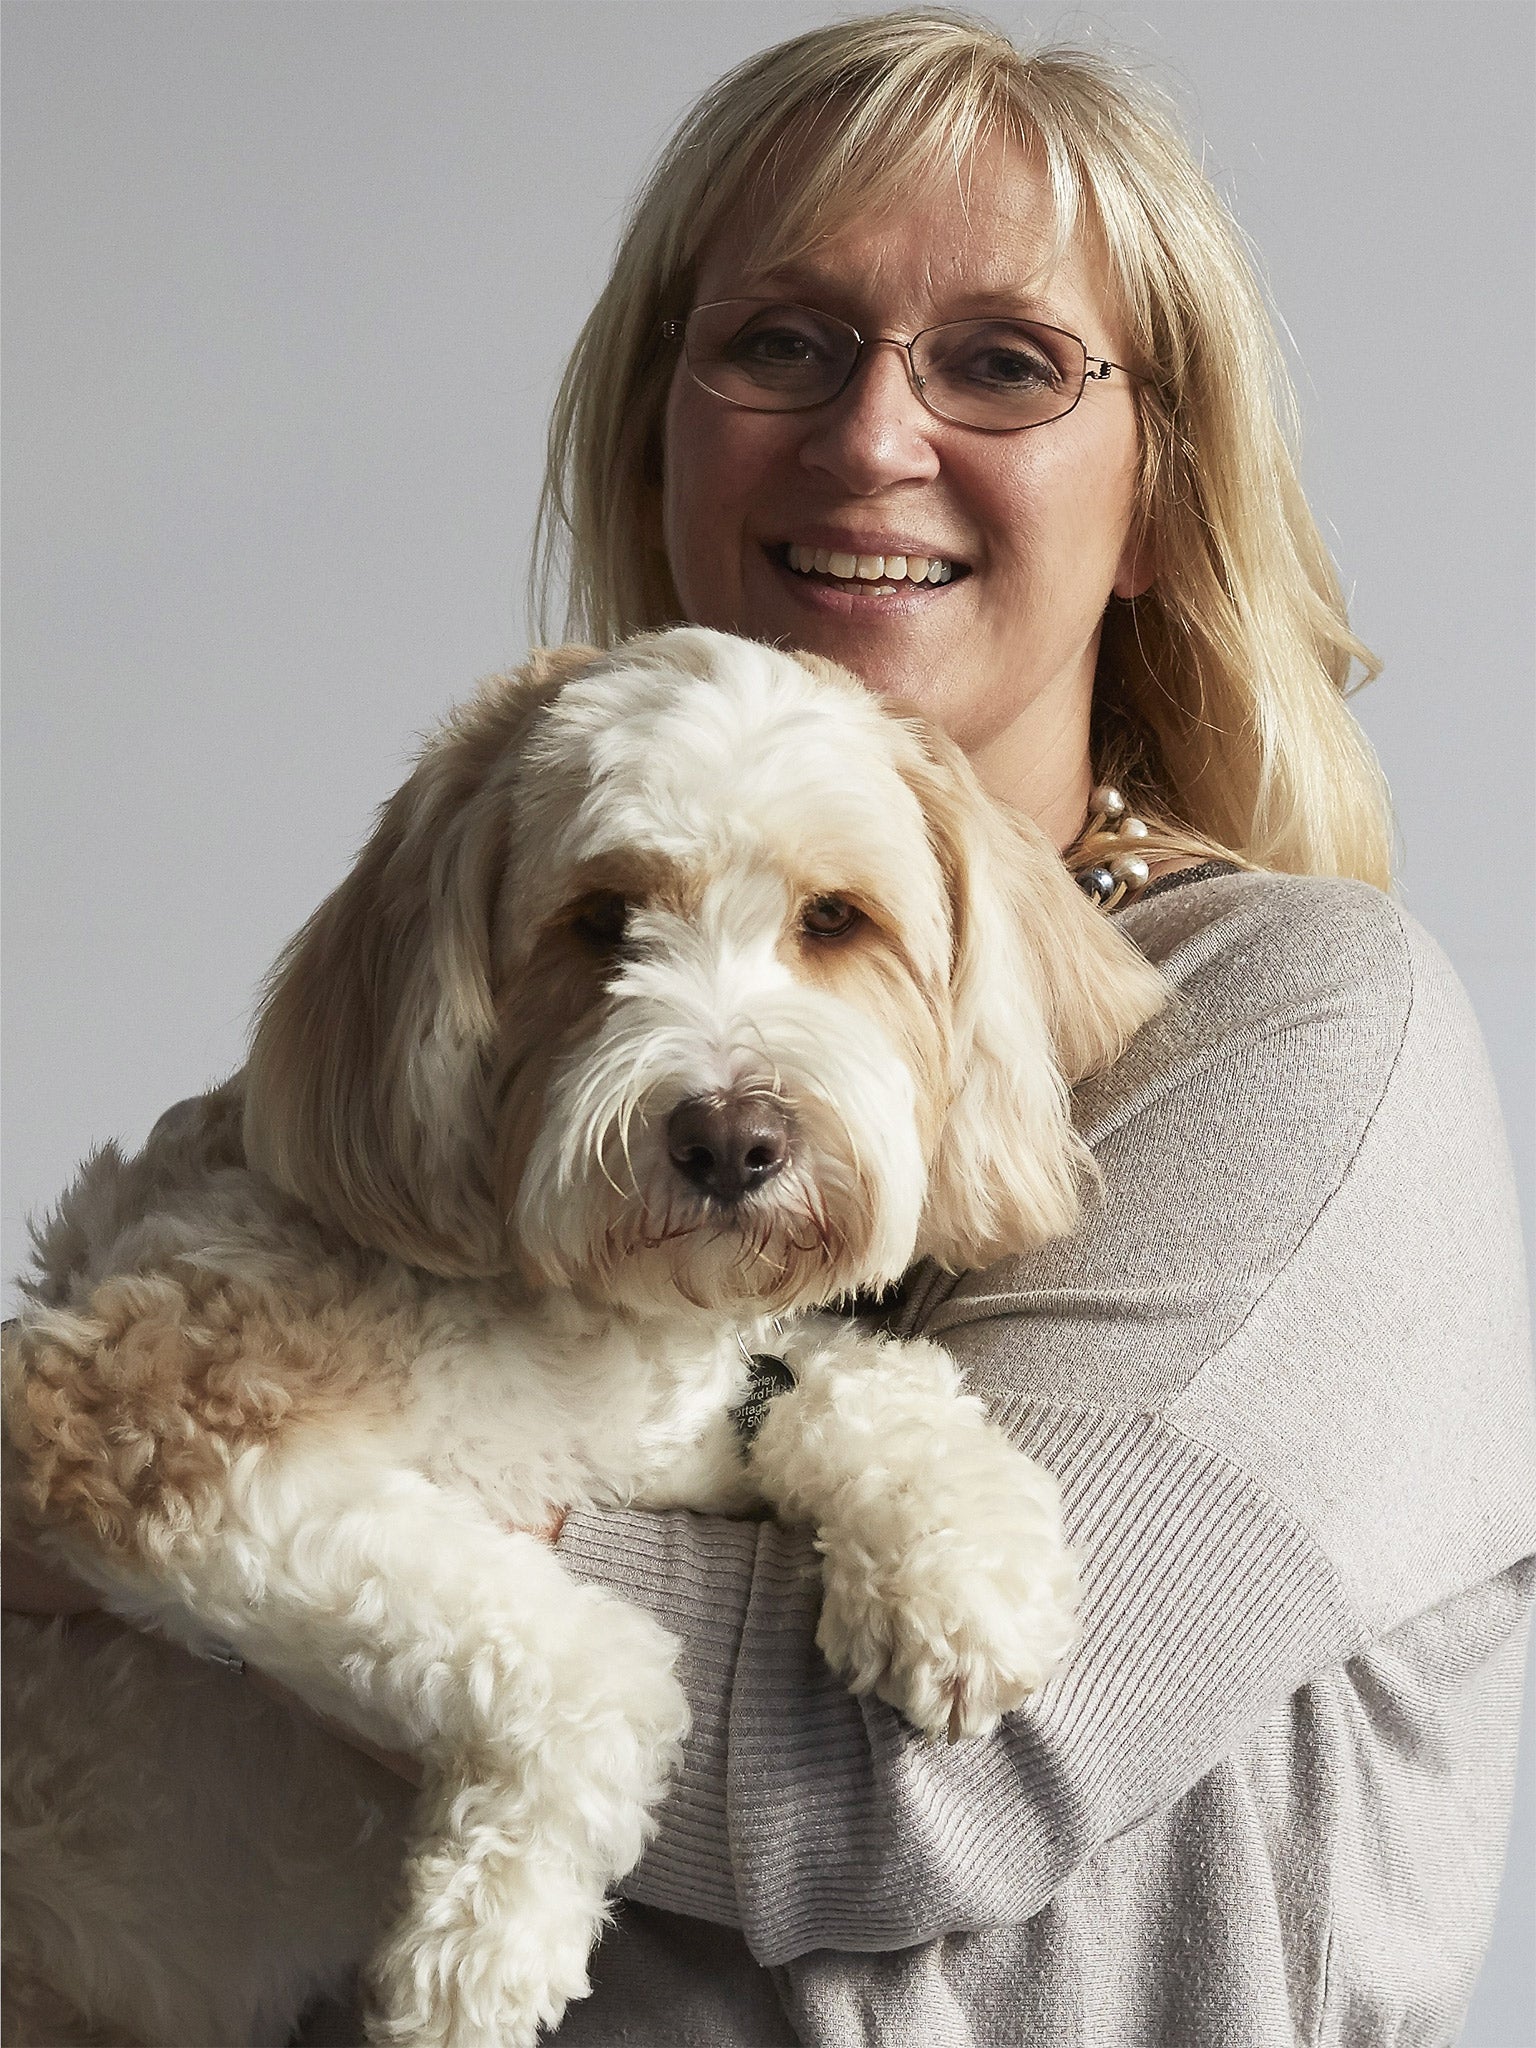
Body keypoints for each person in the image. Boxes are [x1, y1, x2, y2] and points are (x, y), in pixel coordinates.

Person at [7, 13, 1533, 2046]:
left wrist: (216, 1506)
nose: (872, 436)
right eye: (782, 345)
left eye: (1004, 360)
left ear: (1162, 493)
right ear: (664, 437)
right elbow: (114, 1415)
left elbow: (913, 1771)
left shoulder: (1294, 1036)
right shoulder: (482, 916)